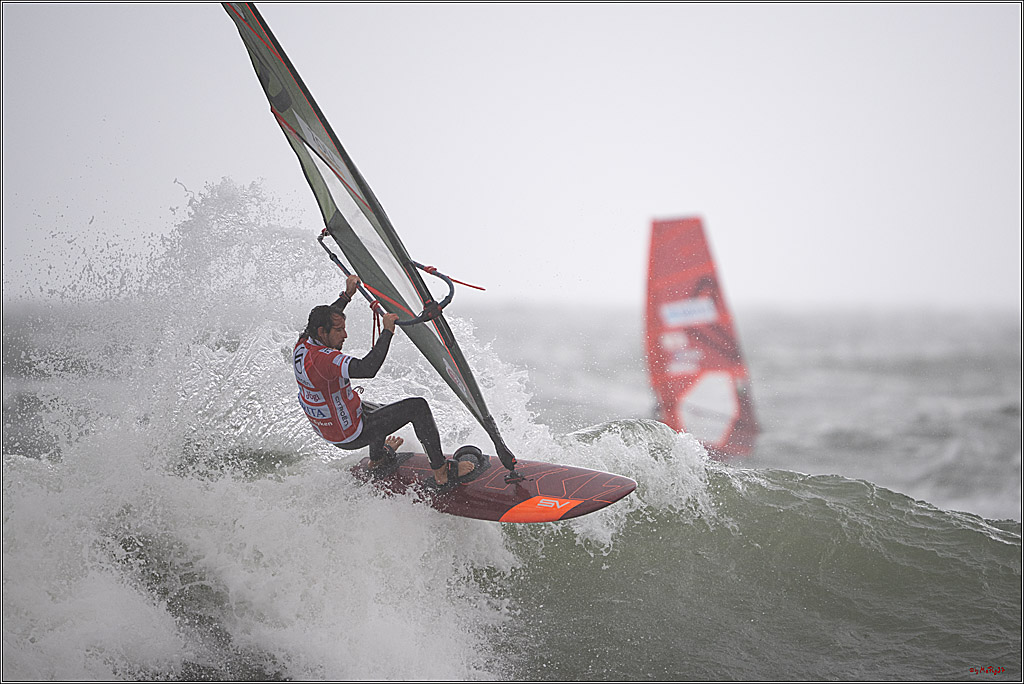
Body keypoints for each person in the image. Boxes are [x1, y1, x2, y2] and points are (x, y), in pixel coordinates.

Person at [293, 274, 474, 487]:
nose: (345, 335)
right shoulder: (325, 359)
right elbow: (367, 368)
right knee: (417, 407)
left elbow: (325, 319)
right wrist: (387, 331)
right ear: (323, 332)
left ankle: (377, 459)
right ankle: (442, 471)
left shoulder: (304, 342)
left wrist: (346, 296)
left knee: (380, 410)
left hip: (330, 427)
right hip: (350, 433)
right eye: (339, 330)